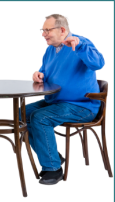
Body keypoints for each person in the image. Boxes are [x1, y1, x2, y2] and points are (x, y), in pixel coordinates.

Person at [19, 13, 105, 186]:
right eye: (42, 30)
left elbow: (99, 64)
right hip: (56, 102)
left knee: (40, 118)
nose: (43, 33)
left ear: (62, 30)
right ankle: (53, 156)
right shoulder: (50, 49)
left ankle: (52, 168)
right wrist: (38, 74)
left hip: (81, 106)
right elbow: (44, 69)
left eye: (47, 30)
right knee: (21, 114)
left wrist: (80, 46)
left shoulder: (81, 42)